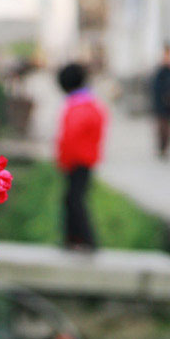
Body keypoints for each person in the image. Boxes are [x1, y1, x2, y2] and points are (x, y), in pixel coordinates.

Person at [56, 63, 109, 251]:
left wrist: (63, 159)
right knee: (72, 199)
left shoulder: (79, 106)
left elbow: (70, 137)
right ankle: (73, 239)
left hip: (78, 161)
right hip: (84, 159)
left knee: (74, 200)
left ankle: (87, 240)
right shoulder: (89, 103)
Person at [150, 43, 170, 158]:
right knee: (162, 129)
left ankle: (167, 148)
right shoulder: (159, 72)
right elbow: (154, 88)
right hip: (161, 106)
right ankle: (161, 148)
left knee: (169, 129)